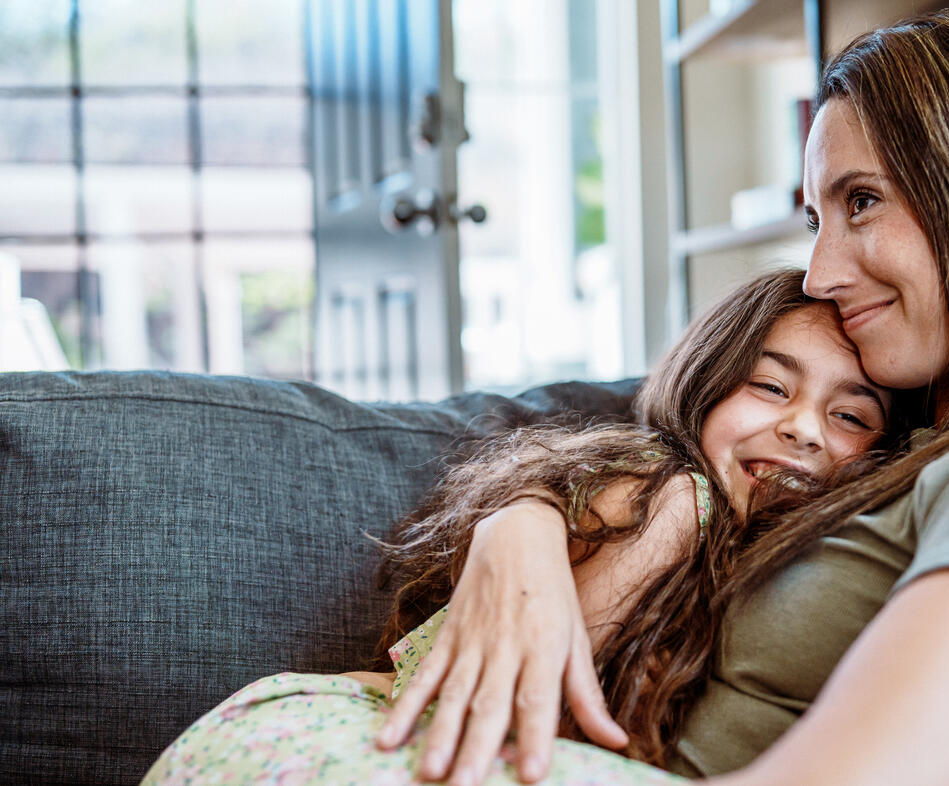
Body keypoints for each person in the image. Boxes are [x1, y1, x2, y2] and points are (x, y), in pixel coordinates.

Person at [376, 8, 949, 786]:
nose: (820, 276)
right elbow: (675, 445)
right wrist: (522, 521)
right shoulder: (911, 439)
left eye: (862, 201)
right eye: (817, 219)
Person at [140, 269, 897, 785]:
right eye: (770, 386)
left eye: (850, 416)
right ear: (702, 385)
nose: (803, 428)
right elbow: (551, 723)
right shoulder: (674, 499)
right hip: (324, 751)